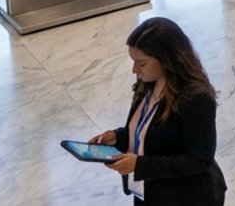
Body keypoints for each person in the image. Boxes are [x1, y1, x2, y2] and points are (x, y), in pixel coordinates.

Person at [84, 17, 225, 205]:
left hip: (186, 197)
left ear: (167, 60)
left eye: (141, 63)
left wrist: (139, 164)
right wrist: (118, 137)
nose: (135, 70)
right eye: (133, 62)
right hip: (149, 191)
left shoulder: (195, 98)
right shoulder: (147, 84)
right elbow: (148, 133)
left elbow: (199, 160)